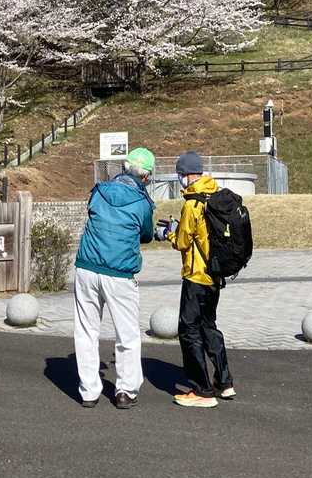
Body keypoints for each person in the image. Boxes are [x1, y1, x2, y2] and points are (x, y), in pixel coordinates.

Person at [72, 146, 156, 408]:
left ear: (123, 168)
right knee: (127, 334)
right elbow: (146, 235)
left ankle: (88, 391)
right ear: (146, 177)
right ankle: (125, 391)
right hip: (119, 273)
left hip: (87, 267)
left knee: (86, 330)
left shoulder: (99, 191)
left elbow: (93, 215)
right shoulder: (142, 203)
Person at [166, 150, 233, 409]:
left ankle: (201, 390)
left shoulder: (192, 204)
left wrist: (168, 233)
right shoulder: (215, 195)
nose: (179, 178)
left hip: (196, 276)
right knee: (209, 326)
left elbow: (183, 242)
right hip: (215, 275)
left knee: (189, 330)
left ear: (185, 174)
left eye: (180, 174)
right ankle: (224, 381)